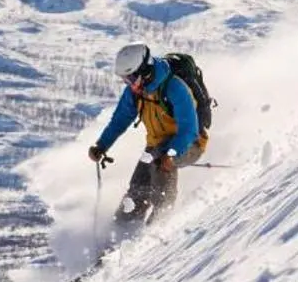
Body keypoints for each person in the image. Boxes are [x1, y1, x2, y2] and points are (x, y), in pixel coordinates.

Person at [85, 42, 207, 231]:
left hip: (190, 144)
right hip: (157, 147)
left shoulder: (174, 88)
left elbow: (190, 129)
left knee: (160, 168)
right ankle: (119, 235)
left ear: (145, 70)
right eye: (125, 79)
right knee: (137, 188)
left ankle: (157, 229)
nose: (129, 83)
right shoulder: (136, 92)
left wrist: (172, 154)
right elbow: (119, 120)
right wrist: (102, 146)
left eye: (131, 77)